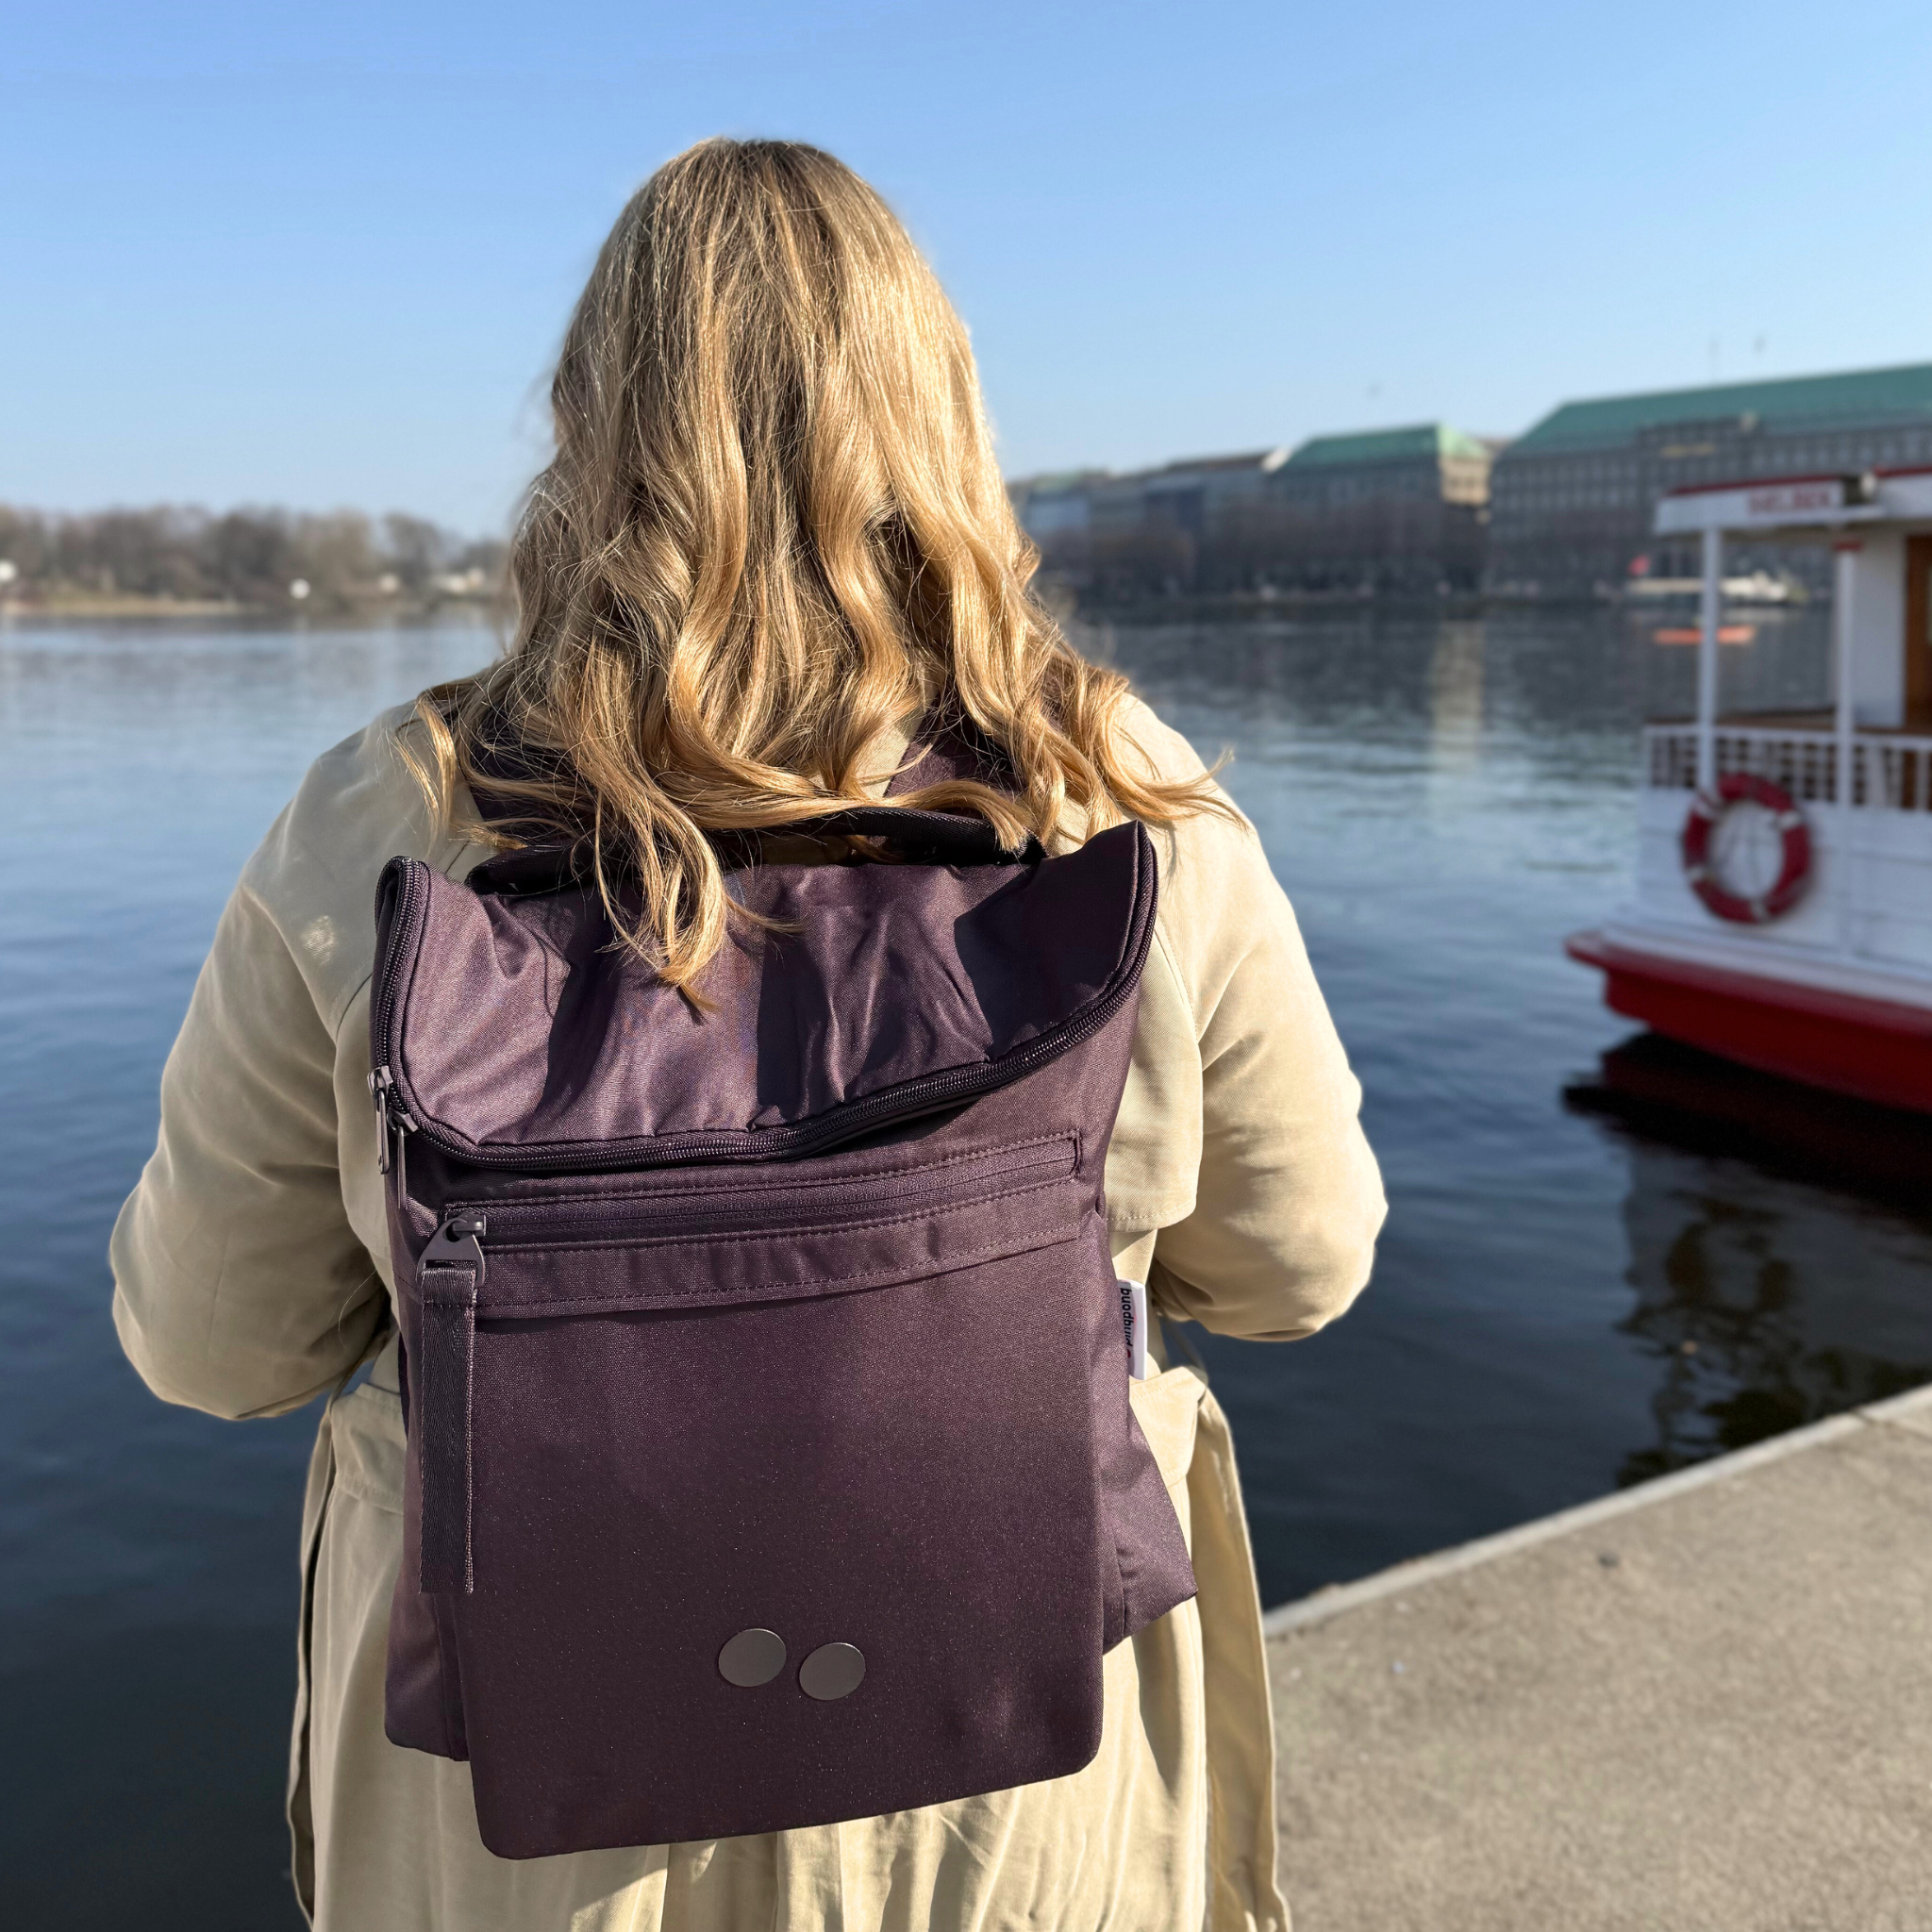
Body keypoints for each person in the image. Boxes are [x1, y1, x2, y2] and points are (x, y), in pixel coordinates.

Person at [111, 138, 1385, 1932]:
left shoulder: (384, 819)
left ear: (585, 425)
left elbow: (213, 1344)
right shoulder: (1127, 800)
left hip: (510, 1830)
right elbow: (1301, 1267)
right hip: (1016, 1805)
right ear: (945, 414)